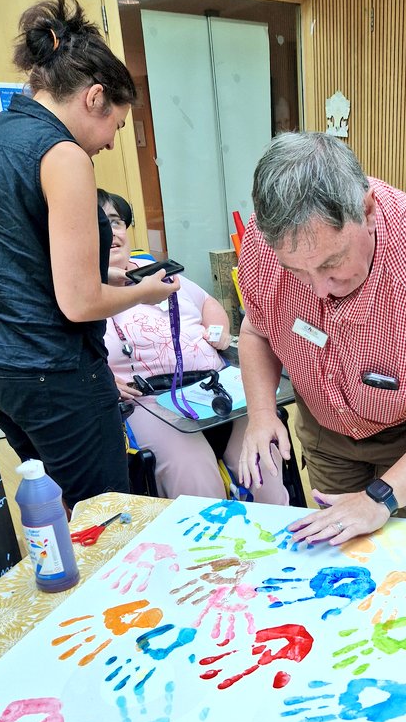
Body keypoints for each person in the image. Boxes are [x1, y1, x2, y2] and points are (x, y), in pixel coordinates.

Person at [0, 0, 176, 509]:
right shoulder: (62, 155)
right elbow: (80, 302)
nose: (110, 143)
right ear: (94, 97)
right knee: (105, 512)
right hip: (54, 368)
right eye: (117, 125)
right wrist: (143, 293)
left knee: (55, 502)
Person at [236, 132, 406, 543]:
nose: (317, 290)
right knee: (334, 554)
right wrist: (262, 414)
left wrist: (379, 499)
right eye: (297, 272)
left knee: (400, 558)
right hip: (324, 427)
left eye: (332, 264)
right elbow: (256, 330)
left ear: (367, 210)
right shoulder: (263, 247)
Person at [100, 190, 288, 504]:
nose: (112, 233)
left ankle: (279, 531)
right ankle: (212, 546)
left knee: (262, 455)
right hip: (151, 400)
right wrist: (105, 382)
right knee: (194, 473)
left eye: (116, 222)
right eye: (99, 225)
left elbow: (207, 302)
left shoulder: (158, 273)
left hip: (213, 386)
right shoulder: (83, 295)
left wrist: (217, 331)